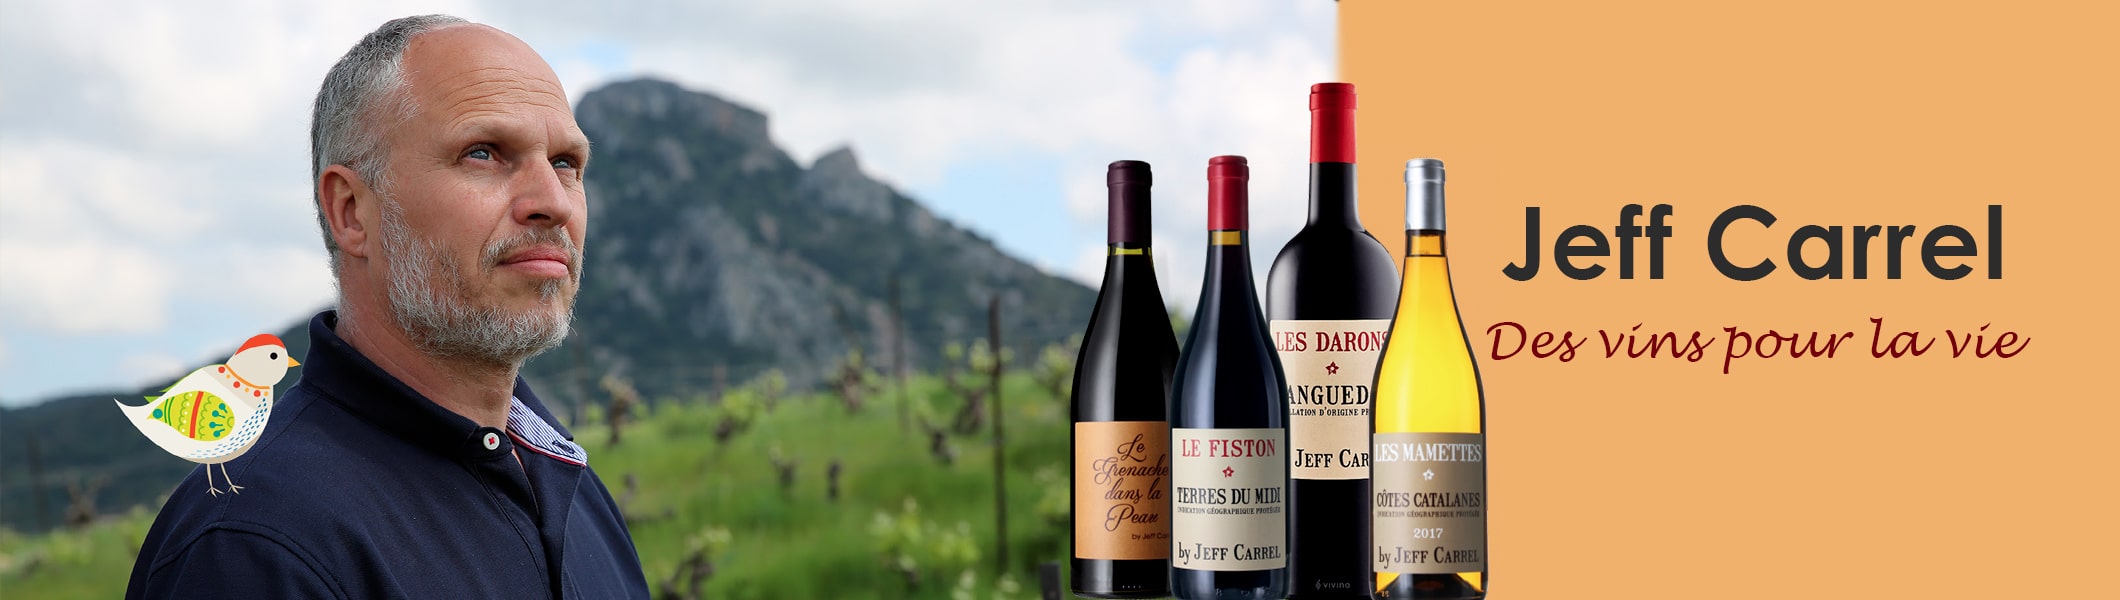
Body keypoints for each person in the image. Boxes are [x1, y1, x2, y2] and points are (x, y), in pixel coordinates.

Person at [126, 14, 651, 598]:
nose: (552, 202)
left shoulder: (570, 483)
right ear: (351, 210)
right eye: (483, 153)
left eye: (565, 164)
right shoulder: (254, 544)